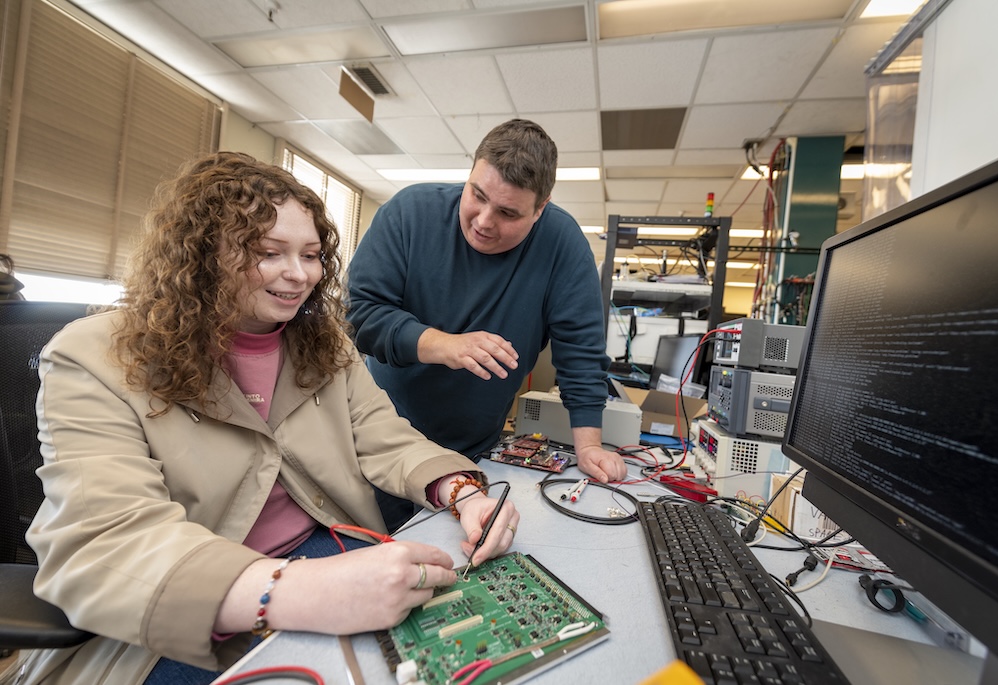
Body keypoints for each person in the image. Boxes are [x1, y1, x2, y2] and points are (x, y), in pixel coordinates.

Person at [20, 151, 519, 685]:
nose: (299, 275)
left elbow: (386, 438)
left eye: (311, 255)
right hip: (192, 602)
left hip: (326, 550)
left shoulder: (326, 346)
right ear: (201, 254)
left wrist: (462, 492)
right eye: (269, 253)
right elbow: (114, 540)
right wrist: (304, 591)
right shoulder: (94, 357)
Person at [346, 119, 628, 501]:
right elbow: (360, 314)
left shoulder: (563, 245)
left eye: (508, 214)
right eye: (477, 195)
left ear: (540, 209)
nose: (483, 221)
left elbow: (581, 353)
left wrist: (589, 446)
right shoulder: (408, 213)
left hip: (473, 450)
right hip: (377, 439)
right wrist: (444, 345)